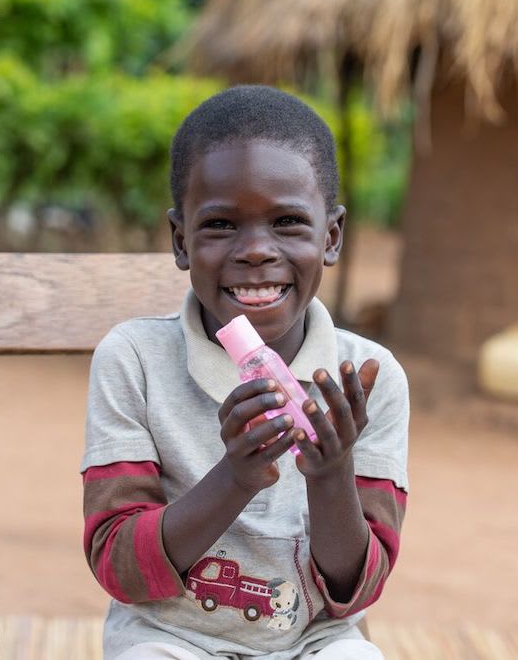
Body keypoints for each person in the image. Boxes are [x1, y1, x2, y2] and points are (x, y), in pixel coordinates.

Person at [81, 85, 409, 659]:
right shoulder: (133, 360)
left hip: (314, 640)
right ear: (181, 240)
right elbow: (119, 567)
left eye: (287, 222)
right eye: (221, 226)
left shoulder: (366, 379)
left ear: (330, 237)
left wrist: (331, 474)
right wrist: (236, 477)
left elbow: (357, 591)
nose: (256, 250)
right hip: (170, 637)